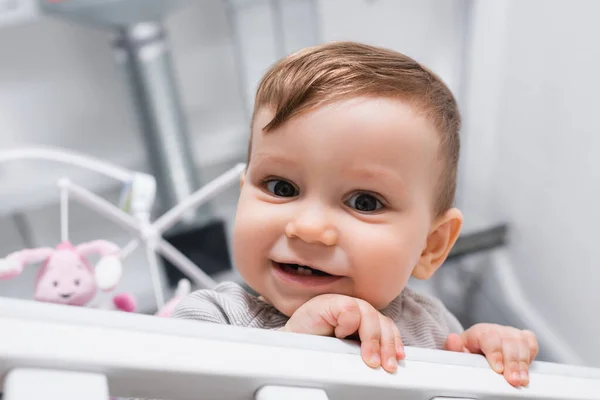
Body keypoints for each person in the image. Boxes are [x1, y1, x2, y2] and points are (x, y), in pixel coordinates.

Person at [174, 41, 538, 387]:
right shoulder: (211, 319)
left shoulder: (433, 328)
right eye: (281, 188)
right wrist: (290, 344)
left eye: (365, 202)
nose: (309, 228)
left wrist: (481, 359)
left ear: (431, 246)